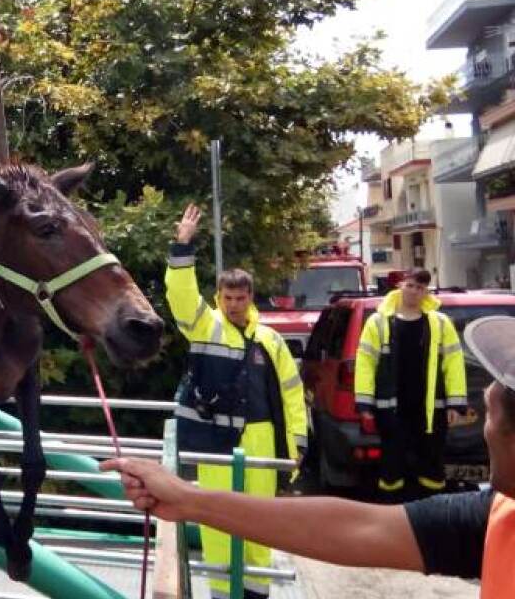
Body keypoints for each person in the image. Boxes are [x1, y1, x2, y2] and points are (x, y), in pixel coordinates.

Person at [103, 314, 515, 598]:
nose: (483, 422)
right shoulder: (495, 518)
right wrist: (188, 500)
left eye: (491, 414)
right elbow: (359, 527)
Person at [165, 203, 308, 599]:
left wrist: (297, 443)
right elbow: (181, 296)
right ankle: (222, 593)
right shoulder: (205, 326)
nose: (233, 304)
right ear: (219, 297)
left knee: (259, 523)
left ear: (251, 297)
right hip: (216, 443)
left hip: (261, 439)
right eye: (227, 297)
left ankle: (256, 592)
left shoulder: (270, 340)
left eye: (240, 298)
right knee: (217, 523)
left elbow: (292, 395)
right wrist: (182, 247)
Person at [355, 268, 466, 500]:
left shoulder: (440, 323)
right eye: (411, 285)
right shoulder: (378, 322)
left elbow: (453, 363)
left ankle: (431, 512)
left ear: (426, 292)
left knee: (432, 467)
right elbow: (365, 363)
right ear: (400, 286)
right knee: (392, 468)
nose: (414, 291)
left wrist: (455, 404)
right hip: (391, 412)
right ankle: (393, 511)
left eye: (420, 287)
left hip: (431, 412)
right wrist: (364, 403)